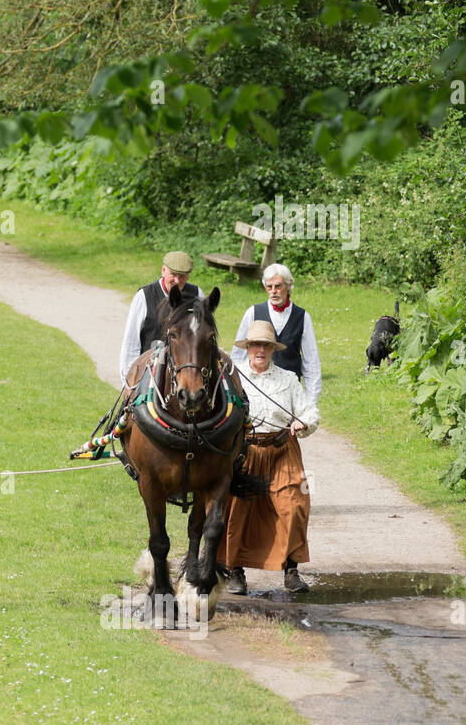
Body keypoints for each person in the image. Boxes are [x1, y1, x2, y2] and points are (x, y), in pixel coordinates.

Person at [219, 320, 320, 595]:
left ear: (272, 349)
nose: (259, 350)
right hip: (246, 452)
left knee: (296, 504)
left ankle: (291, 570)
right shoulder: (234, 378)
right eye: (255, 345)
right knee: (238, 510)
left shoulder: (287, 379)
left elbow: (310, 412)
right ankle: (235, 571)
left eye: (265, 345)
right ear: (248, 348)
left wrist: (303, 423)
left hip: (283, 451)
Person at [230, 263, 322, 404]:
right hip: (256, 392)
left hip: (289, 394)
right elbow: (237, 357)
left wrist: (310, 404)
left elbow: (311, 364)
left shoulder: (302, 317)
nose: (273, 291)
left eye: (278, 286)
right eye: (269, 286)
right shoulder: (253, 313)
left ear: (289, 285)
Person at [118, 251, 201, 387]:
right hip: (149, 372)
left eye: (182, 276)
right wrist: (128, 381)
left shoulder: (196, 295)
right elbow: (131, 341)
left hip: (184, 373)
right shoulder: (144, 296)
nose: (177, 281)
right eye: (173, 275)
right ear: (163, 271)